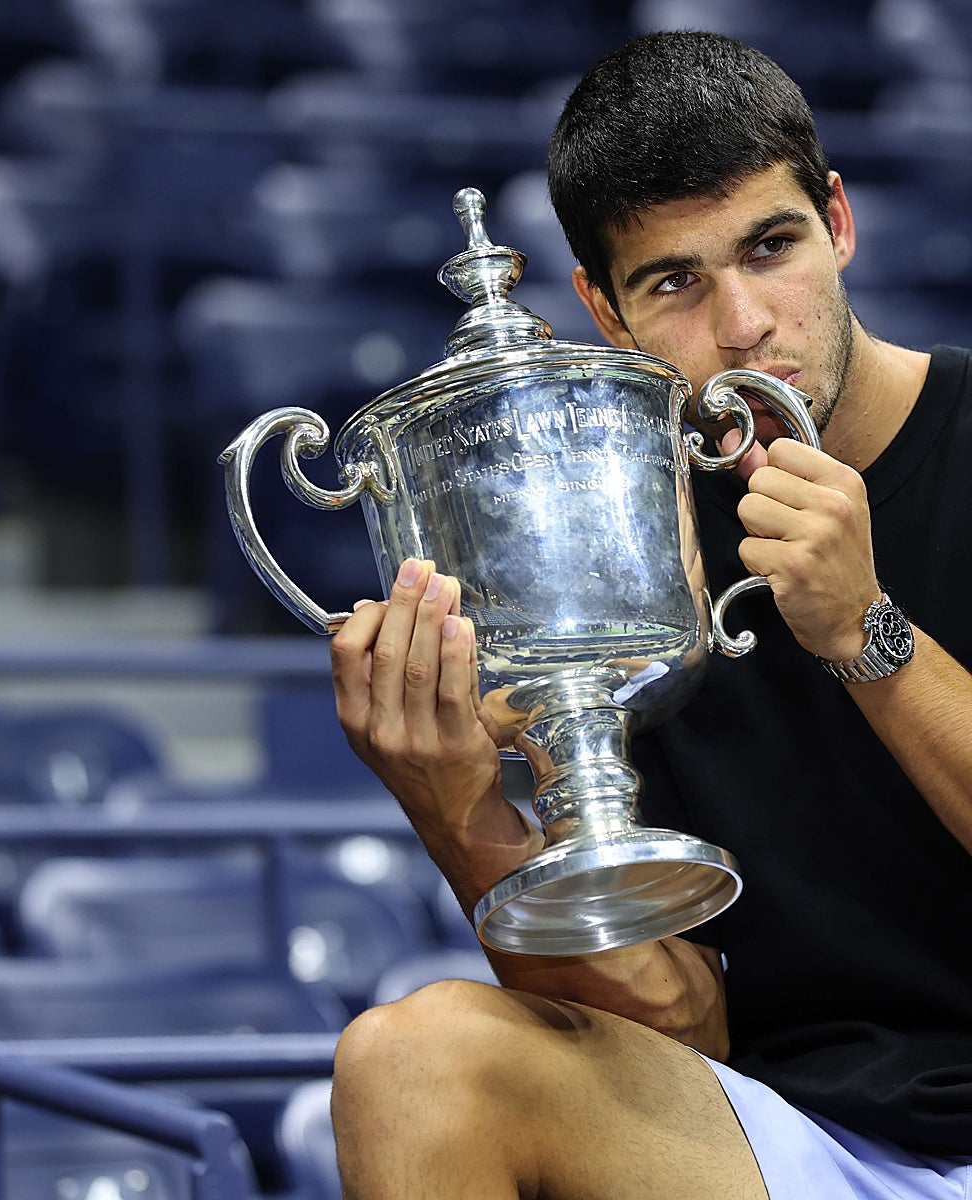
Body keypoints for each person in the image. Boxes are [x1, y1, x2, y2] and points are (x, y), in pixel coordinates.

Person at [326, 29, 972, 1200]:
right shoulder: (623, 559)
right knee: (413, 1059)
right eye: (674, 282)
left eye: (772, 247)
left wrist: (865, 634)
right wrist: (461, 814)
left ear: (838, 220)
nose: (742, 326)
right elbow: (687, 1026)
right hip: (805, 1142)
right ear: (602, 310)